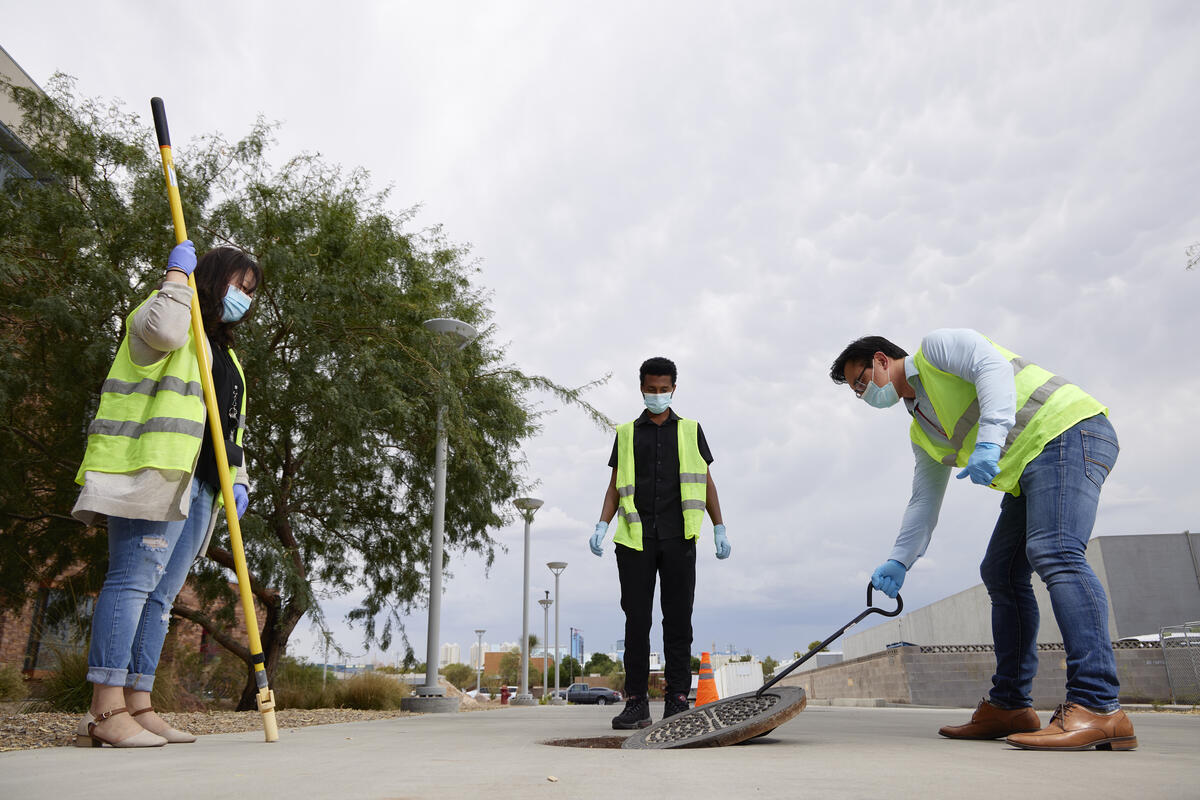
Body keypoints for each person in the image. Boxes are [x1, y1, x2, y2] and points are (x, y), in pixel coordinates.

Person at [830, 329, 1135, 751]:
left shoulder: (935, 350)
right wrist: (900, 560)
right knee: (1001, 572)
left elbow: (991, 368)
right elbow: (924, 500)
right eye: (855, 393)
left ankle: (1099, 705)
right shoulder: (922, 431)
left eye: (861, 383)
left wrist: (989, 440)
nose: (863, 396)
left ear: (881, 359)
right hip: (1029, 470)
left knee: (1056, 551)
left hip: (1068, 430)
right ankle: (1010, 705)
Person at [72, 241, 261, 748]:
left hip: (199, 487)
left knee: (159, 599)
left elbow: (231, 431)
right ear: (208, 278)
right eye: (236, 285)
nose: (243, 298)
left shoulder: (229, 358)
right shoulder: (163, 316)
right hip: (153, 474)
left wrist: (237, 483)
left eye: (250, 292)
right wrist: (176, 278)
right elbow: (166, 331)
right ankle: (105, 710)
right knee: (132, 582)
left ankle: (139, 703)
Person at [590, 356, 730, 730]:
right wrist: (602, 525)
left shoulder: (691, 430)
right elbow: (615, 485)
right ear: (641, 388)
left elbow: (706, 481)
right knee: (637, 622)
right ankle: (636, 702)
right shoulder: (624, 432)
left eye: (663, 389)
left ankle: (677, 701)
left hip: (679, 537)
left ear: (673, 388)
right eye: (651, 390)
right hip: (635, 540)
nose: (657, 395)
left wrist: (719, 527)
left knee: (678, 622)